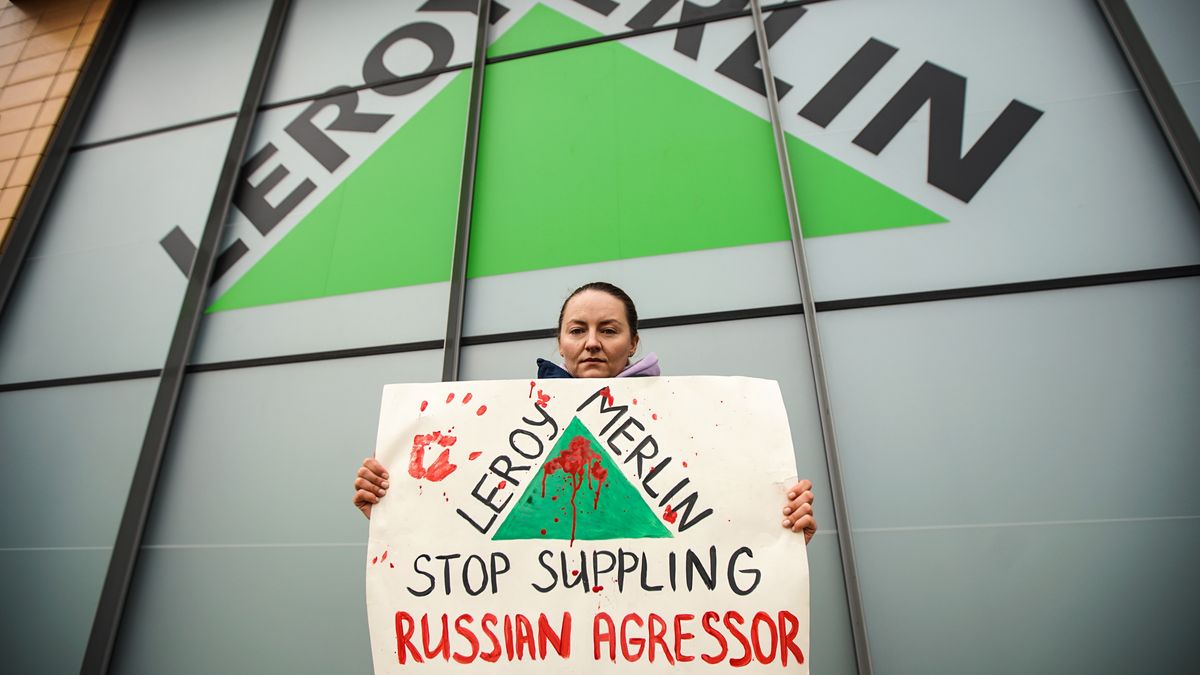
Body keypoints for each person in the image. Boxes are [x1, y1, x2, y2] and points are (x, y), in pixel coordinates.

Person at [353, 281, 818, 543]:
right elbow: (465, 526)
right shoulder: (506, 428)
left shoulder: (691, 430)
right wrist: (395, 508)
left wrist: (781, 529)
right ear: (560, 341)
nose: (592, 341)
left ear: (633, 343)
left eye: (609, 329)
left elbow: (721, 533)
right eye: (578, 330)